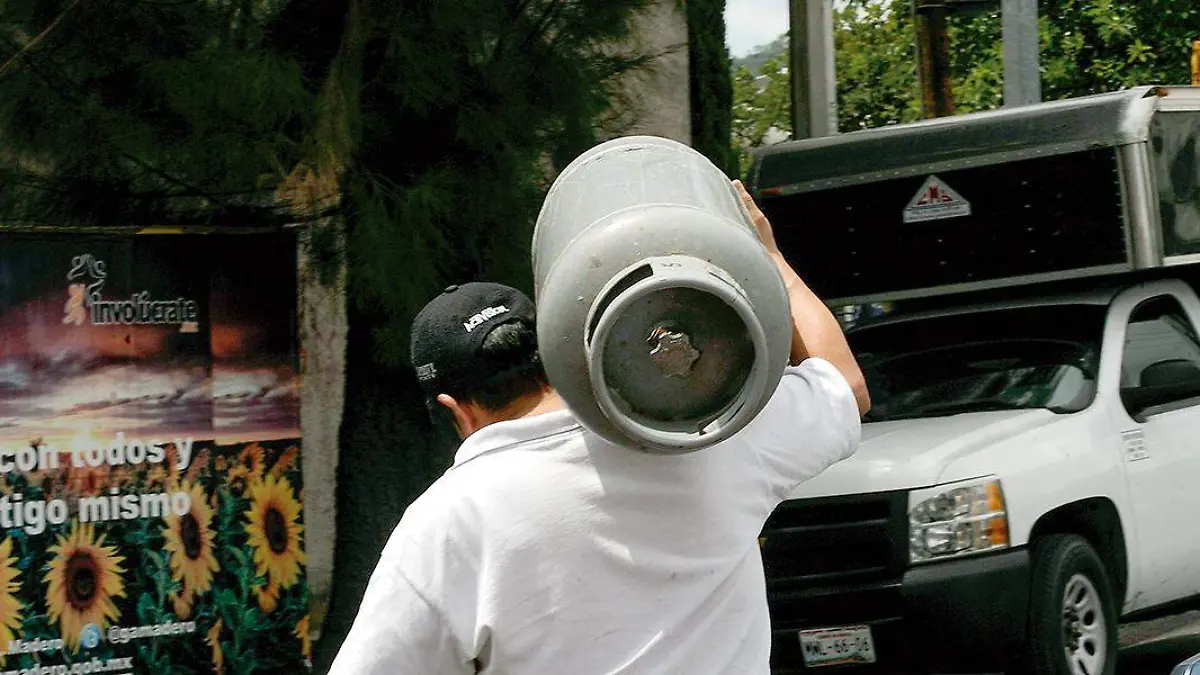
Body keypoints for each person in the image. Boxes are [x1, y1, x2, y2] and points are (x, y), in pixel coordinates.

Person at [326, 179, 871, 674]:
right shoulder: (700, 434)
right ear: (555, 354)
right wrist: (768, 256)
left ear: (453, 410)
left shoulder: (447, 524)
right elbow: (845, 387)